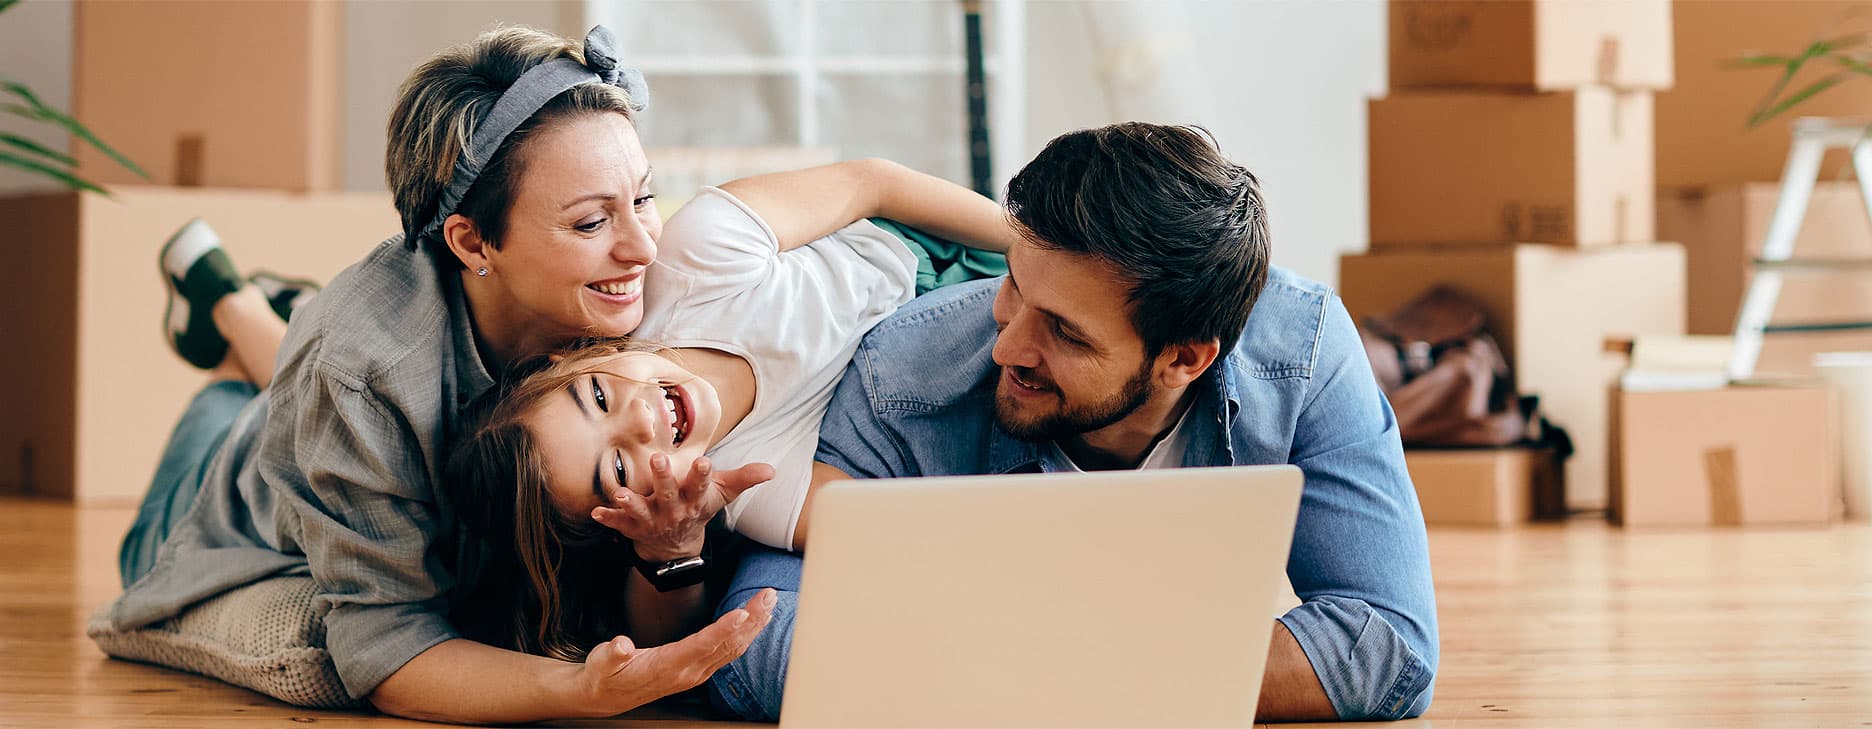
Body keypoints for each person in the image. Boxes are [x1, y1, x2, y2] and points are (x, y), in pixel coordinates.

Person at [103, 24, 812, 723]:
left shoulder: (637, 290)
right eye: (590, 223)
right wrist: (582, 691)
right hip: (241, 489)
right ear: (472, 242)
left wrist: (671, 554)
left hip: (344, 392)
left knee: (312, 376)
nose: (643, 247)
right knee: (221, 430)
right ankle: (228, 304)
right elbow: (387, 650)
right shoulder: (359, 370)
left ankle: (262, 315)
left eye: (645, 198)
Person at [705, 122, 1441, 722]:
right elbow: (755, 646)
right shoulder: (903, 374)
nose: (1008, 347)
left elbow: (1389, 649)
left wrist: (1010, 664)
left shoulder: (1303, 353)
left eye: (1064, 331)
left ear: (1183, 358)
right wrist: (1128, 668)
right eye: (1013, 286)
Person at [439, 159, 1019, 662]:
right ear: (628, 520)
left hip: (940, 246)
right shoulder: (746, 488)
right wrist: (674, 547)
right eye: (616, 467)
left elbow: (875, 184)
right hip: (960, 366)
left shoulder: (693, 258)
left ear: (574, 356)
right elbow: (904, 525)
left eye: (597, 397)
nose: (640, 421)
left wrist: (1030, 246)